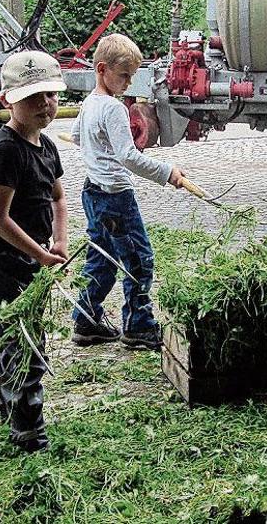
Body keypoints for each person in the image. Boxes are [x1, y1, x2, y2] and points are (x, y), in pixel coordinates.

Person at [0, 50, 69, 452]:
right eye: (33, 96)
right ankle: (27, 428)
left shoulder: (46, 147)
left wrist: (59, 240)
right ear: (9, 99)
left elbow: (58, 198)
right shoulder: (5, 151)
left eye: (51, 94)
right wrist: (41, 256)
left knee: (24, 335)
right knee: (21, 339)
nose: (45, 104)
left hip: (31, 256)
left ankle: (11, 405)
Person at [69, 33, 186, 350]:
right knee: (139, 259)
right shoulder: (113, 109)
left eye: (132, 76)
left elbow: (77, 137)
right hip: (117, 197)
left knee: (102, 257)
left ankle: (85, 319)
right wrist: (167, 173)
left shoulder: (89, 103)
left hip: (92, 192)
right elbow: (128, 156)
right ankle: (138, 327)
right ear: (102, 68)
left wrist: (98, 152)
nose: (128, 83)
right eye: (124, 75)